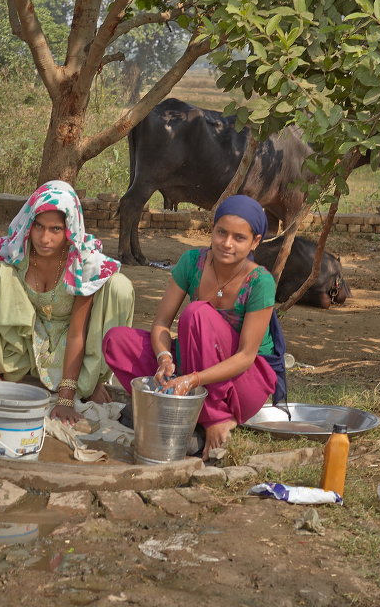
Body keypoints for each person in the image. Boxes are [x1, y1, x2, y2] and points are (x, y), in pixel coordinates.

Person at [102, 195, 286, 458]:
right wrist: (164, 358)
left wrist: (193, 380)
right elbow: (161, 324)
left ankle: (213, 419)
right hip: (194, 363)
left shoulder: (259, 281)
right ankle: (185, 415)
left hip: (243, 382)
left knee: (197, 313)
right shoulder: (192, 263)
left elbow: (246, 356)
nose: (227, 243)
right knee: (117, 340)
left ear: (256, 241)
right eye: (221, 232)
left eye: (239, 238)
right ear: (212, 229)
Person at [0, 180, 135, 425]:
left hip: (73, 347)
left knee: (119, 286)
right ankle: (11, 376)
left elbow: (77, 333)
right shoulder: (13, 252)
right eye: (39, 227)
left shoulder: (82, 262)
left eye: (56, 229)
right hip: (25, 349)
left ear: (69, 230)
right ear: (29, 225)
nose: (44, 238)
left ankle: (90, 383)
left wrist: (66, 399)